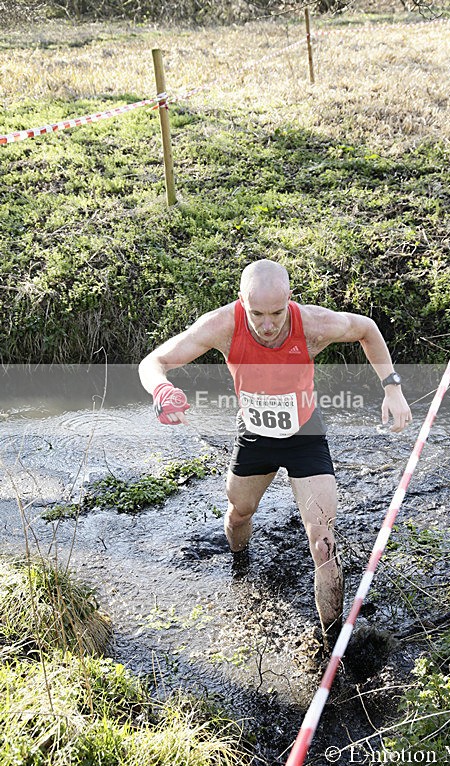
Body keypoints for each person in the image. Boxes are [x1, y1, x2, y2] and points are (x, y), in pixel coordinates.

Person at [138, 259, 412, 650]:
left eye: (277, 313)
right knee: (239, 513)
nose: (268, 325)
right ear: (241, 303)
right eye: (257, 315)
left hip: (304, 435)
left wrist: (392, 387)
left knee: (322, 540)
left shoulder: (313, 323)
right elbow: (155, 362)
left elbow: (366, 329)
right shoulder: (222, 325)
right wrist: (161, 390)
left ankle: (332, 642)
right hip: (255, 436)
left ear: (290, 301)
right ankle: (240, 565)